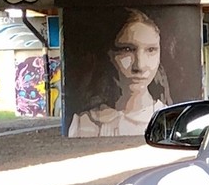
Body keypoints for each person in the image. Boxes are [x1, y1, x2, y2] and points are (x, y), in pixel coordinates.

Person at [69, 9, 169, 137]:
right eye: (127, 49)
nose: (140, 66)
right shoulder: (84, 123)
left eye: (151, 50)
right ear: (108, 54)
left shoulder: (169, 119)